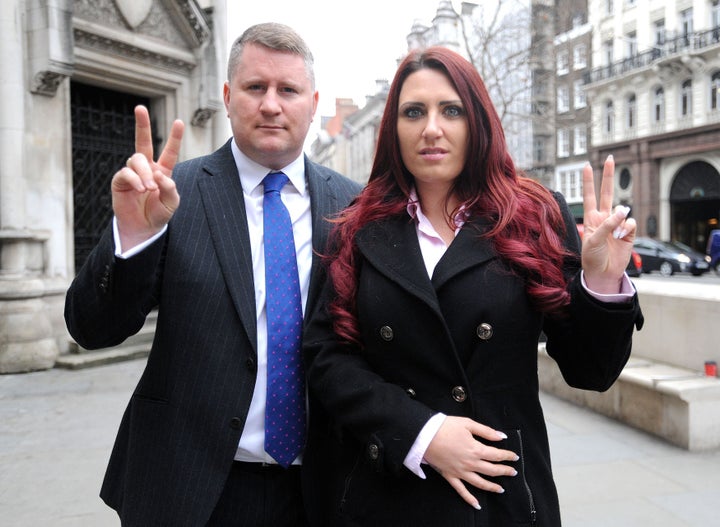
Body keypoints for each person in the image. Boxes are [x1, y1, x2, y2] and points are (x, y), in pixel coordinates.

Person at [303, 46, 644, 526]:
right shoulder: (357, 227)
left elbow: (591, 371)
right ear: (393, 129)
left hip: (502, 495)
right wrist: (423, 434)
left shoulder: (533, 216)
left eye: (451, 110)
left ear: (477, 120)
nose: (432, 129)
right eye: (413, 112)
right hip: (391, 491)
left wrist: (603, 280)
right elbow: (326, 357)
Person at [64, 22, 361, 526]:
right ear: (227, 96)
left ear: (313, 104)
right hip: (189, 487)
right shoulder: (171, 192)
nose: (271, 104)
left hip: (319, 492)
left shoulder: (354, 206)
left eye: (288, 90)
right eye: (254, 87)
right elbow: (92, 330)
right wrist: (133, 239)